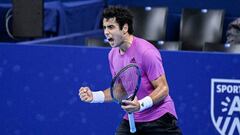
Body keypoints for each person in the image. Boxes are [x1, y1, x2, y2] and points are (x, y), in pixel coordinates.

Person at [79, 6, 182, 135]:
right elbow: (120, 90)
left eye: (111, 27)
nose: (106, 32)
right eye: (105, 27)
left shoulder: (146, 52)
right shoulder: (112, 55)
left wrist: (140, 105)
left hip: (160, 119)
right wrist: (94, 96)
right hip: (134, 119)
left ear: (125, 28)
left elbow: (163, 88)